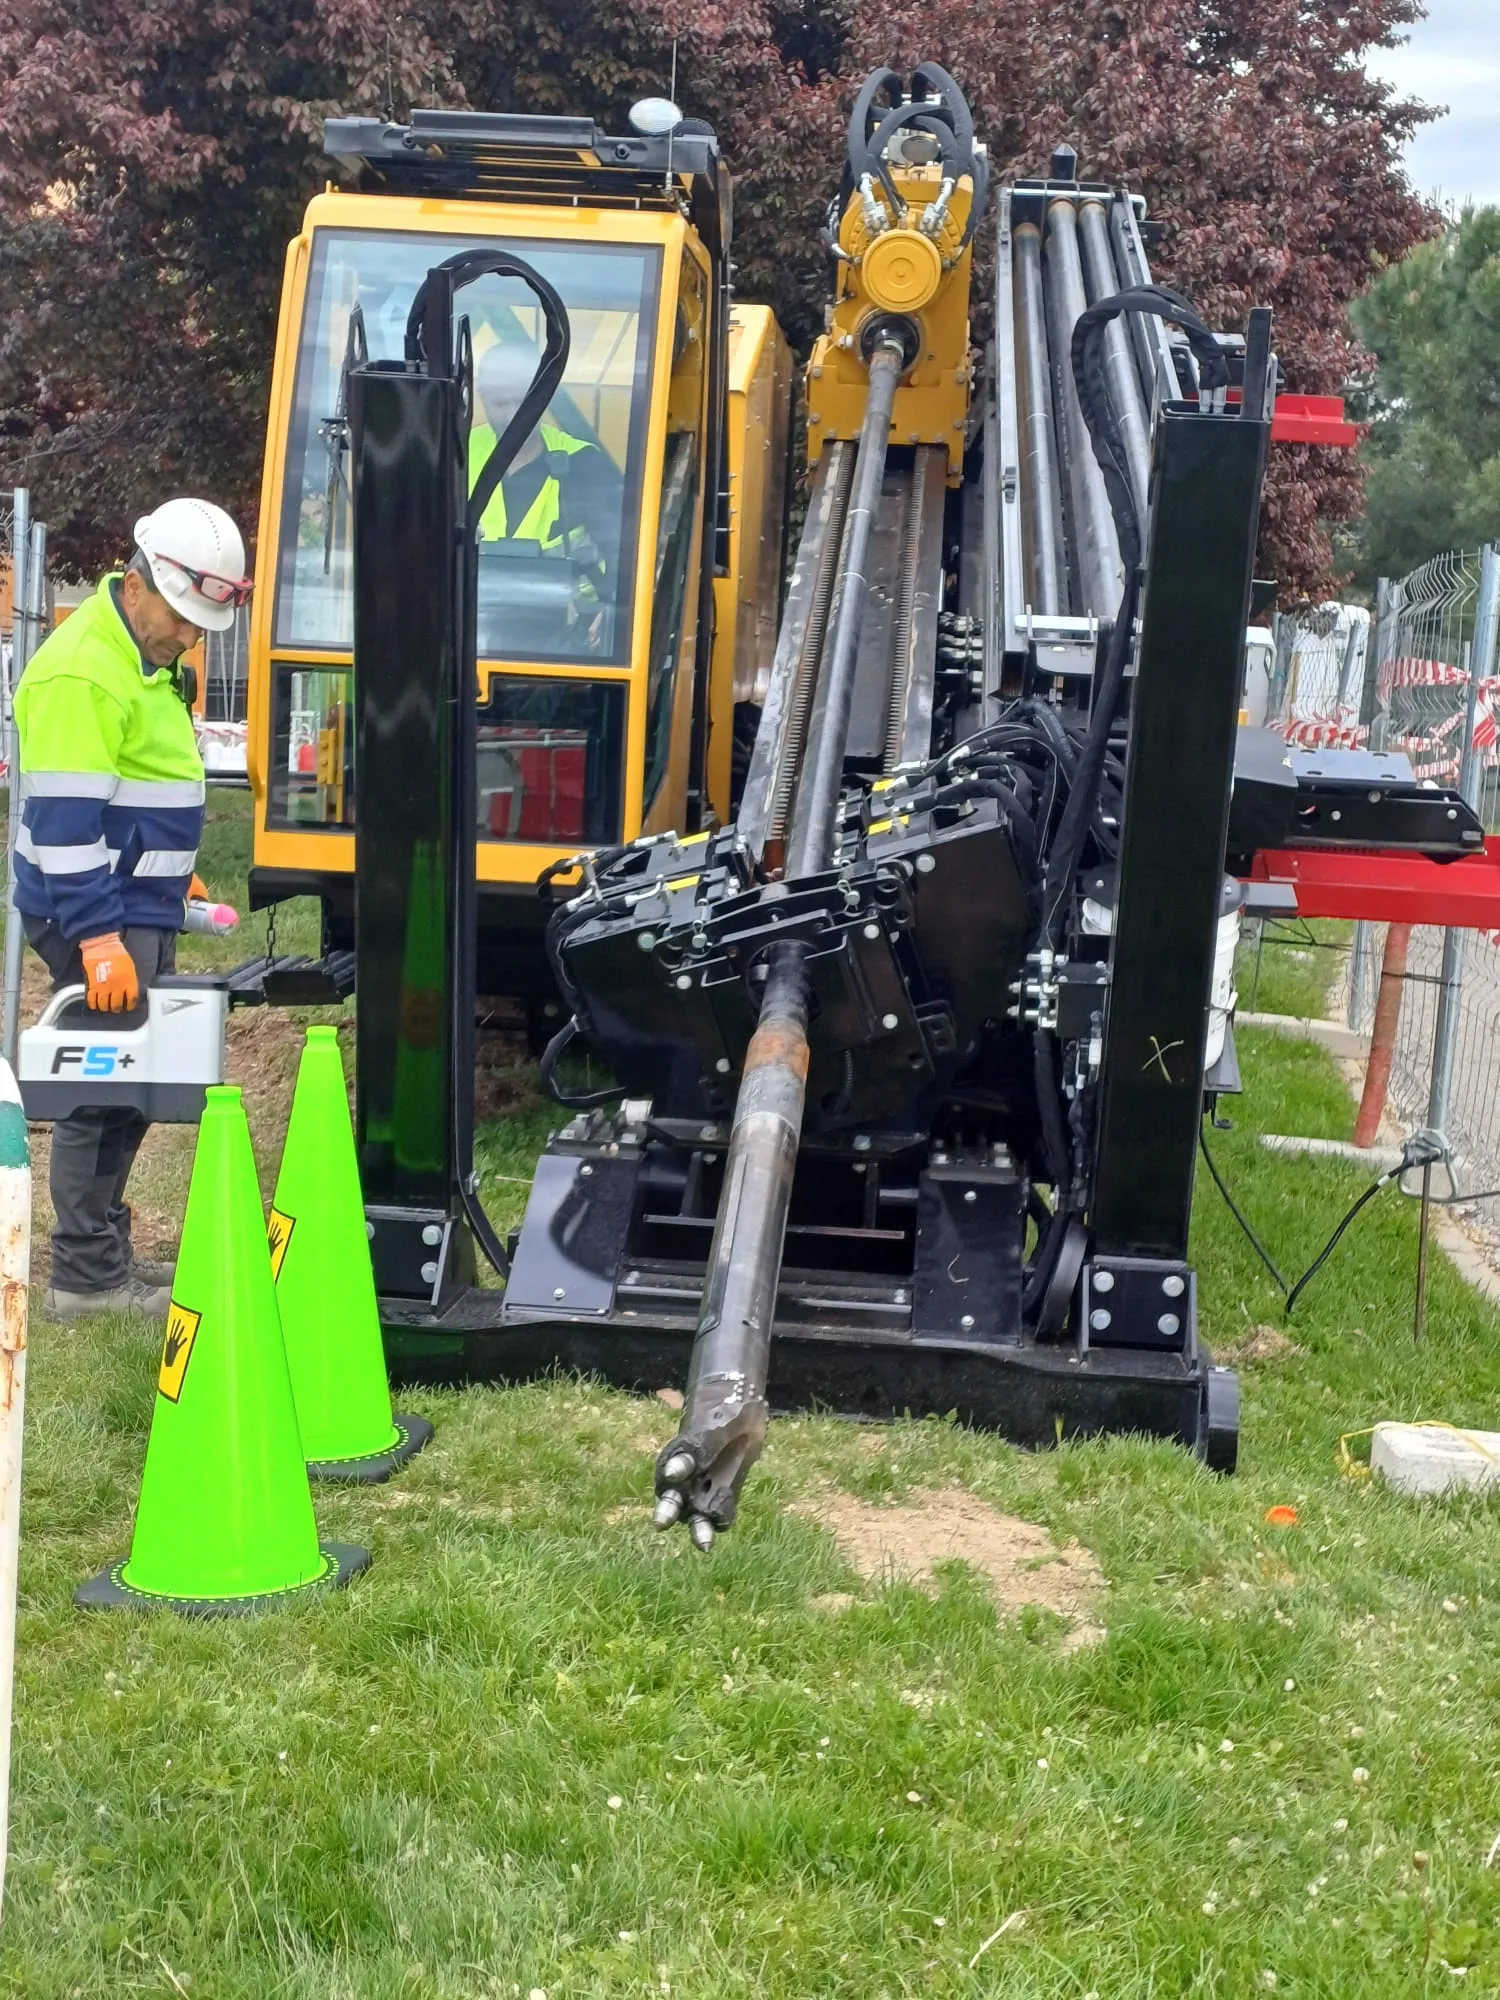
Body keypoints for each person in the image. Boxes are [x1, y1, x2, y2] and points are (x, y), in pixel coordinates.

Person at [13, 498, 251, 1320]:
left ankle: (104, 1252)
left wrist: (175, 875)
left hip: (131, 902)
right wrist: (99, 939)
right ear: (138, 582)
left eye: (201, 625)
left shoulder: (139, 655)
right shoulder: (83, 673)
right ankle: (86, 1279)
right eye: (182, 619)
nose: (189, 638)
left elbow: (138, 786)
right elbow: (64, 827)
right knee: (102, 1089)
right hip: (93, 911)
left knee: (135, 1082)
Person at [468, 340, 624, 645]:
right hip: (470, 631)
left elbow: (626, 550)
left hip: (566, 637)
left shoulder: (584, 464)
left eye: (523, 402)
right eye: (500, 404)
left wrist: (613, 608)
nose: (513, 415)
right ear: (482, 396)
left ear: (545, 396)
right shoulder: (457, 453)